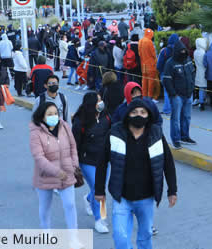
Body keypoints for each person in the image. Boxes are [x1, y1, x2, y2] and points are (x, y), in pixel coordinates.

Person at [95, 99, 177, 249]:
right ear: (128, 114)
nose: (138, 115)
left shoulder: (156, 133)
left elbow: (168, 163)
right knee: (120, 237)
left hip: (147, 198)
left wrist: (172, 190)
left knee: (145, 237)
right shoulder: (115, 133)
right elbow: (102, 162)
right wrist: (99, 190)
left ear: (148, 115)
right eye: (134, 112)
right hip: (122, 197)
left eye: (142, 112)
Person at [29, 101, 79, 231]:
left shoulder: (65, 126)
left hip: (67, 174)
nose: (54, 116)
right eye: (50, 114)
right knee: (45, 208)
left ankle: (73, 238)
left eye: (56, 113)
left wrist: (74, 165)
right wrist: (56, 172)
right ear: (42, 116)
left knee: (70, 205)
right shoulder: (36, 132)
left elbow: (73, 146)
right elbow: (39, 157)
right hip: (45, 176)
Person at [71, 92, 112, 234]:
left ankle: (88, 199)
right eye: (98, 100)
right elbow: (74, 144)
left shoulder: (106, 116)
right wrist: (74, 163)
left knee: (98, 188)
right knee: (98, 188)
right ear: (90, 104)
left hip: (105, 160)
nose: (101, 103)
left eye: (101, 100)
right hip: (87, 160)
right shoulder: (80, 122)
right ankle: (99, 219)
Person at [162, 41, 196, 150]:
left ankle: (185, 136)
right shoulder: (170, 63)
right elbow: (167, 80)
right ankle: (176, 139)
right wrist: (173, 94)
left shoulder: (188, 60)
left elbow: (192, 73)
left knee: (186, 117)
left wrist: (191, 88)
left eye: (184, 50)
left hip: (188, 94)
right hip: (177, 96)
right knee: (175, 118)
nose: (183, 52)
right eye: (181, 51)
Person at [156, 33, 180, 115]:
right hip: (176, 75)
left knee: (167, 93)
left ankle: (167, 109)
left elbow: (159, 64)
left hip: (165, 74)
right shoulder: (180, 51)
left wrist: (161, 72)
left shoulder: (164, 51)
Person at [138, 28, 159, 104]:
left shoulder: (140, 41)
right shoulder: (149, 42)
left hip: (143, 65)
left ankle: (144, 96)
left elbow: (139, 53)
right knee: (151, 82)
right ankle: (149, 97)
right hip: (151, 65)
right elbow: (153, 54)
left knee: (144, 81)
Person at [193, 37, 208, 110]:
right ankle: (202, 102)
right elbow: (205, 63)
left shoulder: (195, 52)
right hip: (204, 71)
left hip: (198, 71)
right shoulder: (203, 53)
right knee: (203, 88)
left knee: (200, 88)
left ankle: (200, 100)